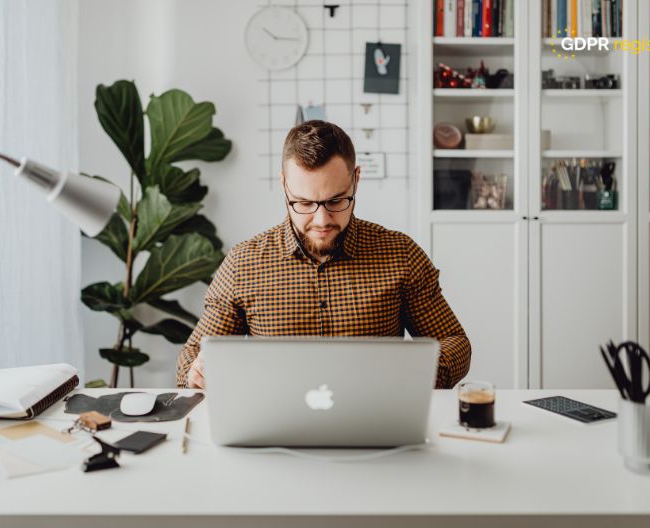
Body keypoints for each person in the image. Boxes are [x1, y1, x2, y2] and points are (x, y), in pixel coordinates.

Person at [176, 120, 471, 389]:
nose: (321, 221)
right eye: (303, 203)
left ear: (356, 180)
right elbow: (192, 355)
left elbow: (455, 343)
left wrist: (420, 373)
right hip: (274, 430)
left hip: (375, 423)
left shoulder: (401, 254)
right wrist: (196, 371)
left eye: (336, 201)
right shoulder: (244, 264)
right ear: (284, 185)